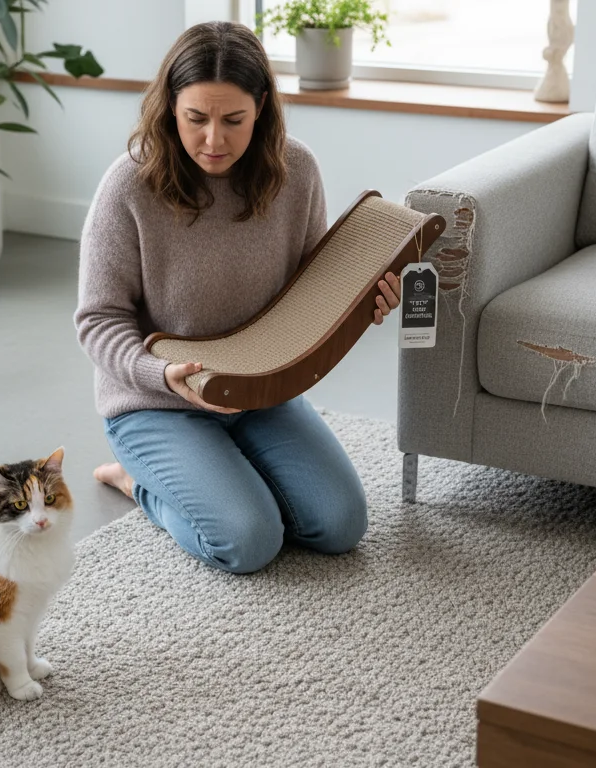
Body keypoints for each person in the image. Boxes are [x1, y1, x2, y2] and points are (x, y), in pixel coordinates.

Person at [75, 21, 401, 574]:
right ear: (170, 107)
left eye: (234, 120)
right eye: (195, 119)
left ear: (263, 108)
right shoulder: (128, 185)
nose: (213, 141)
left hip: (261, 391)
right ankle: (138, 483)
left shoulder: (296, 171)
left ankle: (229, 473)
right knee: (248, 543)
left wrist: (361, 301)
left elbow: (310, 290)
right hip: (158, 402)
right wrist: (164, 375)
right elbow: (98, 320)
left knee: (341, 525)